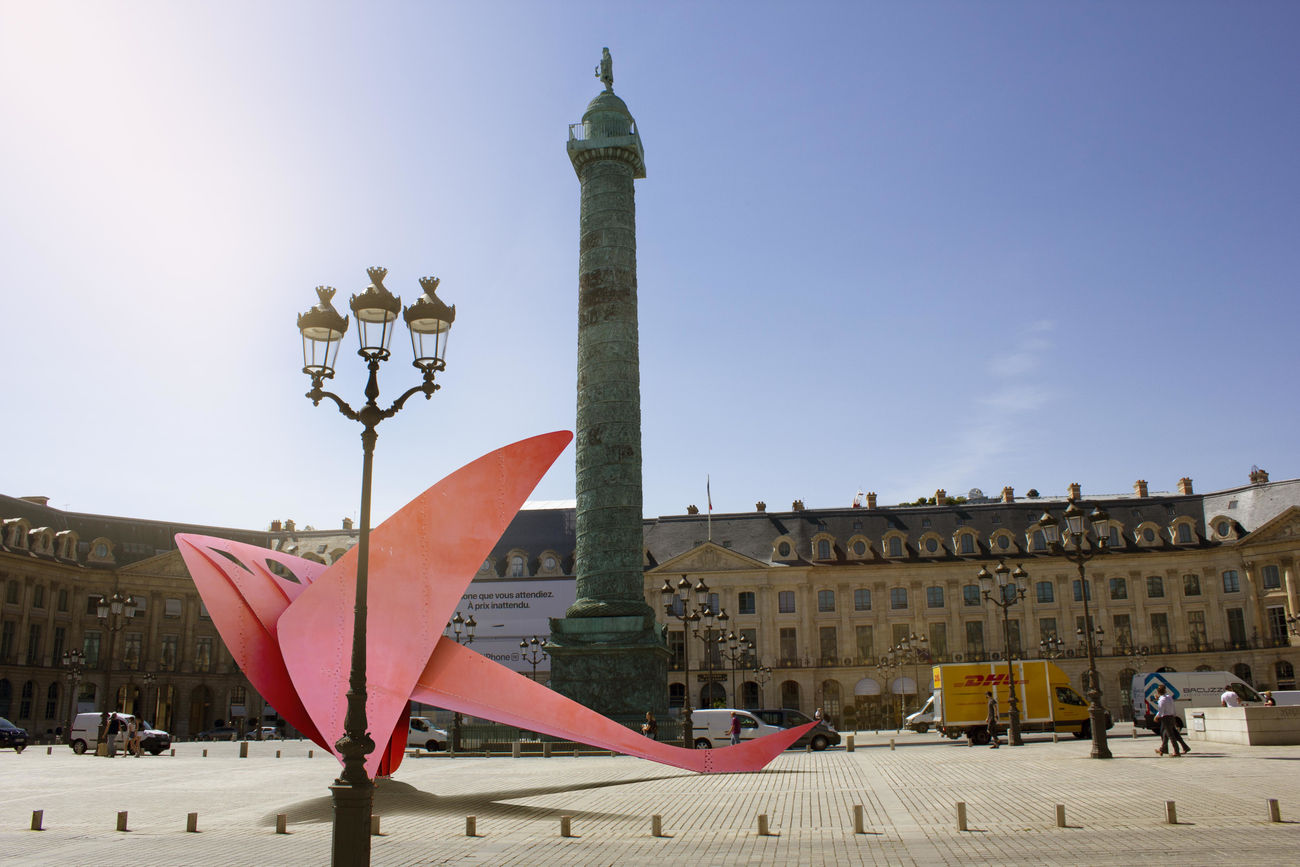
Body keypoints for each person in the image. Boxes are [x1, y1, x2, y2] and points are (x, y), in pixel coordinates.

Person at [1154, 685, 1190, 757]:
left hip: (1165, 718)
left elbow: (1161, 711)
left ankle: (1176, 751)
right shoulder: (1169, 697)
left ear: (1158, 692)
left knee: (1170, 735)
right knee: (1170, 733)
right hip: (1171, 717)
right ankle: (1184, 747)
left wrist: (1156, 717)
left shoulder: (1161, 700)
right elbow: (1172, 707)